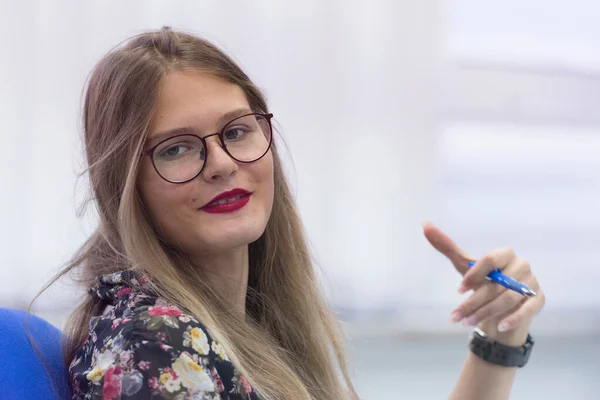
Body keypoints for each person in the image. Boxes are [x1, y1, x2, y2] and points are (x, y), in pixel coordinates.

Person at [37, 27, 544, 399]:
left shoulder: (246, 321)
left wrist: (500, 337)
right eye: (176, 149)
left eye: (237, 132)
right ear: (123, 185)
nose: (222, 164)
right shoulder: (155, 346)